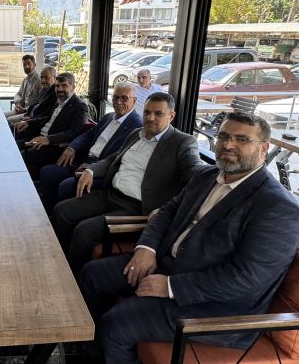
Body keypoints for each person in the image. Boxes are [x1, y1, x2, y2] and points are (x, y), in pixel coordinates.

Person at [78, 112, 299, 364]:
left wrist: (171, 286)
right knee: (92, 274)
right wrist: (146, 248)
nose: (228, 145)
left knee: (116, 324)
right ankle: (90, 351)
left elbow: (246, 278)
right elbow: (167, 211)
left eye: (241, 139)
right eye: (223, 136)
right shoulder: (206, 176)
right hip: (165, 263)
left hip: (215, 307)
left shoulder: (278, 207)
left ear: (263, 149)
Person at [53, 92, 203, 277]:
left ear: (171, 116)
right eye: (147, 112)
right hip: (111, 194)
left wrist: (168, 208)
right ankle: (59, 259)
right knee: (62, 210)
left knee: (84, 231)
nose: (150, 118)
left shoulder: (183, 142)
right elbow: (113, 158)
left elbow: (197, 175)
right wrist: (91, 171)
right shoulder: (136, 134)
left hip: (137, 207)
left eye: (158, 113)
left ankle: (70, 278)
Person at [38, 82, 142, 212]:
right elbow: (89, 134)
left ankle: (56, 216)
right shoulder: (108, 116)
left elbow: (120, 156)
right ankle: (47, 212)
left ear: (134, 101)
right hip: (82, 160)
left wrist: (92, 167)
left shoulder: (137, 126)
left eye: (124, 98)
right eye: (115, 97)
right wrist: (72, 147)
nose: (118, 101)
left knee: (66, 186)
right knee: (47, 172)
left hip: (101, 172)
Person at [15, 72, 88, 166]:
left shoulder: (79, 106)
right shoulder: (59, 101)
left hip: (53, 146)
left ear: (73, 87)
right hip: (39, 136)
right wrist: (28, 123)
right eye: (57, 86)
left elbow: (75, 132)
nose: (59, 89)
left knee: (18, 156)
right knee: (13, 146)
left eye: (64, 85)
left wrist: (48, 139)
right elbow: (47, 118)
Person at [4, 55, 42, 121]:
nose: (26, 67)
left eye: (29, 64)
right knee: (2, 115)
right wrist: (17, 103)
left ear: (34, 65)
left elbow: (40, 103)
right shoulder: (25, 80)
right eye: (24, 64)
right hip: (21, 109)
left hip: (31, 113)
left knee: (9, 120)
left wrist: (25, 109)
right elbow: (18, 94)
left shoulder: (39, 80)